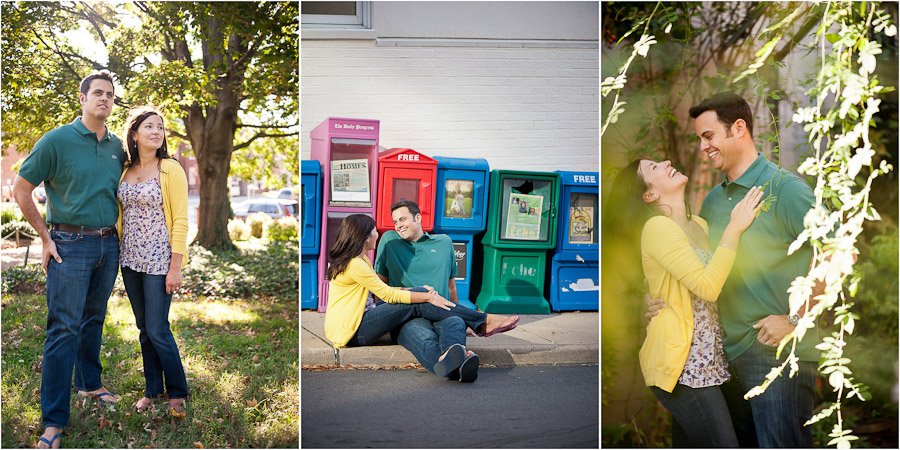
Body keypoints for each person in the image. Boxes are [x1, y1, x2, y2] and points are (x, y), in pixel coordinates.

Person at [646, 92, 827, 447]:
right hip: (724, 356)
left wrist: (793, 318)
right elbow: (704, 272)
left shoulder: (784, 189)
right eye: (699, 138)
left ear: (738, 128)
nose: (702, 147)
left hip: (776, 352)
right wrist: (657, 301)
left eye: (708, 136)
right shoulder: (713, 201)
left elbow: (838, 254)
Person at [607, 156, 763, 447]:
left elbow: (718, 277)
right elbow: (707, 287)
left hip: (713, 361)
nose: (666, 161)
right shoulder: (657, 227)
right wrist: (734, 229)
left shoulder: (699, 226)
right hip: (683, 367)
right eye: (654, 167)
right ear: (649, 195)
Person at [13, 70, 125, 449]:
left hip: (109, 246)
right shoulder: (56, 140)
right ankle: (53, 422)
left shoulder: (117, 147)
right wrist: (44, 237)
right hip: (69, 245)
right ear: (82, 98)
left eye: (110, 95)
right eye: (97, 93)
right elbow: (22, 187)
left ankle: (90, 384)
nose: (105, 99)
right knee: (63, 329)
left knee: (94, 320)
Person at [323, 214, 520, 382]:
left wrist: (417, 290)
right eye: (374, 230)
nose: (378, 234)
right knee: (417, 303)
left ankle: (454, 365)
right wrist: (427, 298)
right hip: (354, 330)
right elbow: (387, 295)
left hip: (360, 322)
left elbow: (382, 288)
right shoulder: (355, 264)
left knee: (453, 319)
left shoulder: (359, 259)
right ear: (365, 236)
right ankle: (483, 321)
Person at [115, 106, 190, 416]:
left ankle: (178, 390)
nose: (157, 131)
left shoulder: (170, 169)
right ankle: (151, 389)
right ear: (134, 134)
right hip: (129, 259)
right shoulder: (124, 169)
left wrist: (176, 266)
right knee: (144, 328)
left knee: (158, 329)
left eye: (160, 127)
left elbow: (182, 220)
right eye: (149, 126)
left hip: (160, 260)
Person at [375, 200, 476, 380]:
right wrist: (385, 320)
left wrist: (460, 315)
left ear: (418, 218)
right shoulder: (390, 241)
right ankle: (459, 367)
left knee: (455, 324)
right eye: (395, 222)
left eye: (403, 219)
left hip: (442, 311)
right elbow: (379, 288)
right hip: (408, 315)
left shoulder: (444, 242)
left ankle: (455, 365)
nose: (398, 225)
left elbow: (451, 287)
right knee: (423, 339)